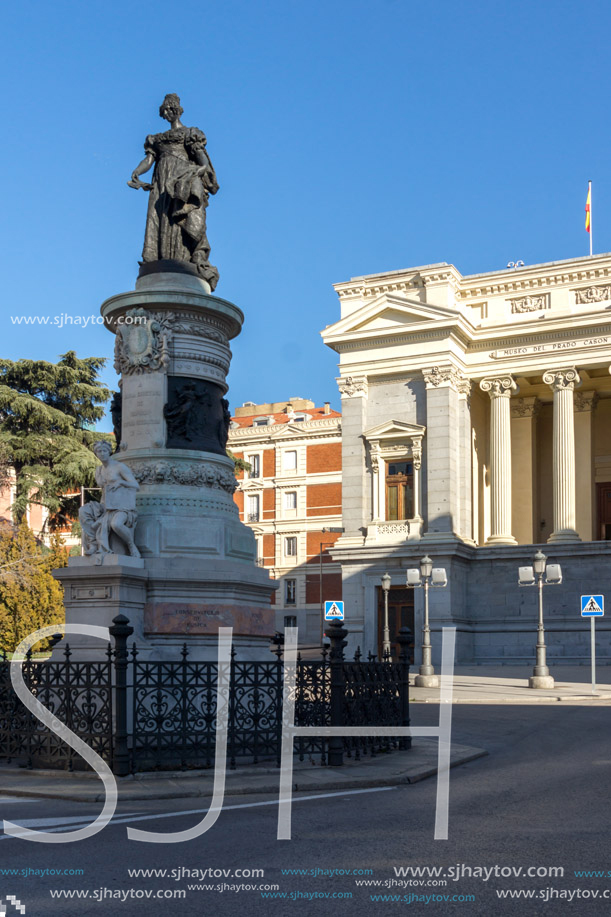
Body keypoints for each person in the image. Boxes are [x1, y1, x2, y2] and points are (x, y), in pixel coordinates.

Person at [128, 93, 219, 289]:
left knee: (180, 220)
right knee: (160, 218)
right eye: (165, 110)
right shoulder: (156, 139)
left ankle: (182, 259)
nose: (168, 112)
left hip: (181, 181)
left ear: (178, 110)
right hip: (161, 184)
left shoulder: (189, 133)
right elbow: (149, 160)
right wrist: (137, 171)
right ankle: (161, 259)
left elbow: (201, 159)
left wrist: (202, 170)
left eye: (171, 109)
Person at [80, 441, 141, 557]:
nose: (102, 454)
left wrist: (121, 482)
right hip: (105, 505)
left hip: (122, 506)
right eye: (99, 451)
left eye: (104, 451)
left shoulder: (119, 467)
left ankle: (131, 545)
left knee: (116, 524)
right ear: (96, 454)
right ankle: (93, 544)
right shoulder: (99, 471)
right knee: (83, 511)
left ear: (109, 452)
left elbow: (136, 485)